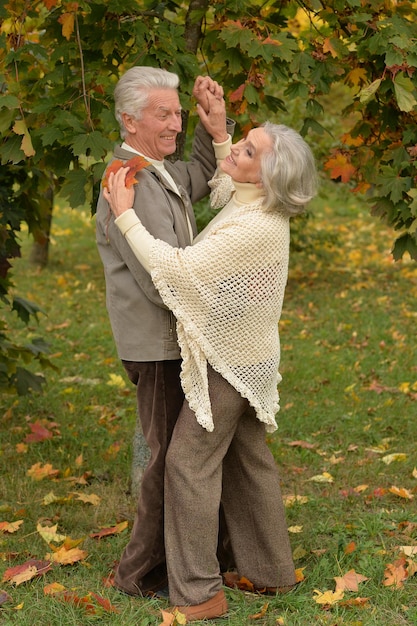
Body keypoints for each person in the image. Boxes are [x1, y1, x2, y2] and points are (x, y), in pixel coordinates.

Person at [104, 109, 317, 621]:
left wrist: (125, 214)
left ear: (266, 176)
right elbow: (223, 189)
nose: (236, 152)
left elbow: (175, 267)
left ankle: (200, 593)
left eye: (248, 150)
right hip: (250, 357)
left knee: (187, 464)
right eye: (243, 142)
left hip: (231, 363)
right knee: (248, 461)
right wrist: (220, 133)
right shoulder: (252, 201)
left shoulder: (258, 229)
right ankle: (271, 572)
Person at [95, 66, 235, 598]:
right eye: (165, 114)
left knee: (182, 458)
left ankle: (201, 555)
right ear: (130, 121)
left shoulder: (156, 169)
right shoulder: (128, 180)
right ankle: (141, 573)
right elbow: (160, 281)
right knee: (168, 463)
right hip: (157, 347)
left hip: (176, 339)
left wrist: (213, 126)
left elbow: (201, 174)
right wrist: (217, 301)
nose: (175, 122)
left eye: (178, 112)